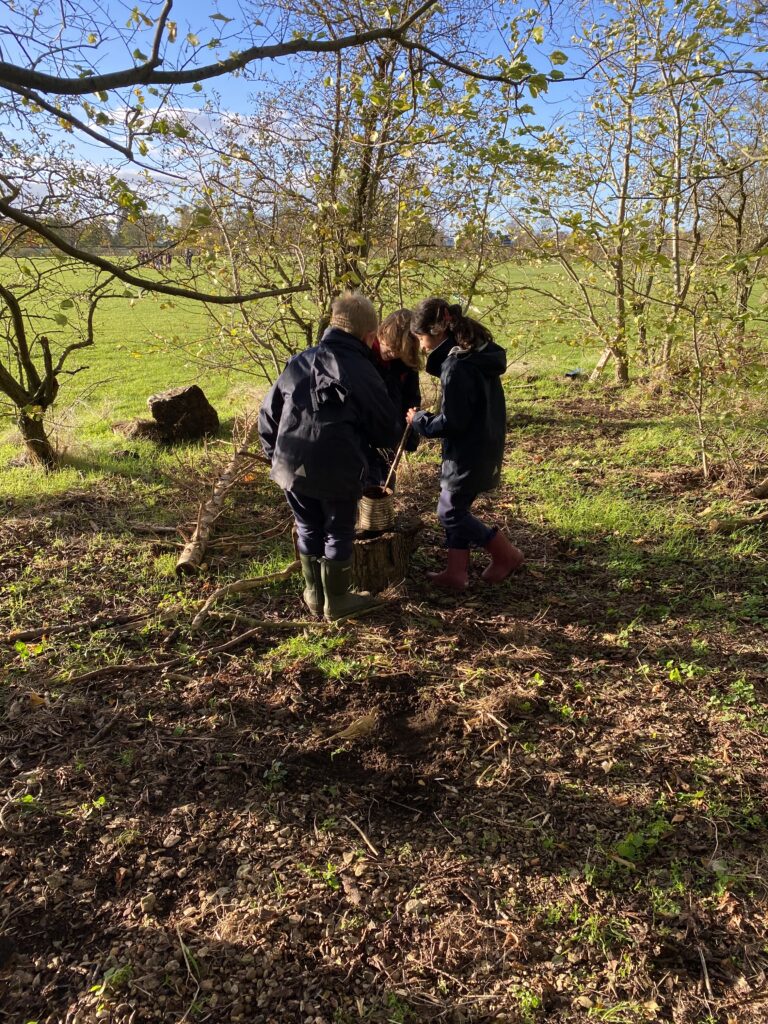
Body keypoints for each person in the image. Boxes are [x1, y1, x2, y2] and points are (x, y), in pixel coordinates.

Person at [259, 292, 401, 620]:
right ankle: (337, 601)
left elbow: (267, 415)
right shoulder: (362, 371)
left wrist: (275, 456)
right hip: (337, 469)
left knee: (307, 525)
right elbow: (385, 430)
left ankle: (313, 595)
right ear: (368, 337)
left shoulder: (298, 361)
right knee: (338, 530)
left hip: (290, 465)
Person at [406, 297, 524, 589]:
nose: (421, 347)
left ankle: (505, 553)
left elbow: (453, 423)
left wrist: (420, 420)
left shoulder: (457, 366)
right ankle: (456, 573)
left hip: (468, 452)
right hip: (483, 444)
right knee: (455, 505)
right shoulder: (476, 354)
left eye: (421, 338)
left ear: (437, 331)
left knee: (449, 512)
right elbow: (464, 411)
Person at [368, 308, 421, 488]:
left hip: (391, 434)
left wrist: (410, 435)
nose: (390, 355)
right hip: (364, 436)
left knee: (386, 487)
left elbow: (411, 399)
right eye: (389, 350)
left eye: (397, 354)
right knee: (366, 490)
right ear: (381, 332)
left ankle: (383, 515)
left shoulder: (405, 366)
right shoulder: (363, 354)